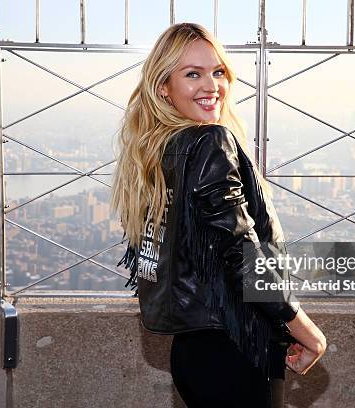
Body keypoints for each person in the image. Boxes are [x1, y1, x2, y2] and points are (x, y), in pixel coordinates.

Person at [111, 23, 326, 407]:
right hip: (236, 349)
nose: (211, 86)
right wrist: (303, 326)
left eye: (218, 72)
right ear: (164, 86)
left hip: (194, 352)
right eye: (192, 74)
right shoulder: (211, 141)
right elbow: (239, 251)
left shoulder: (162, 149)